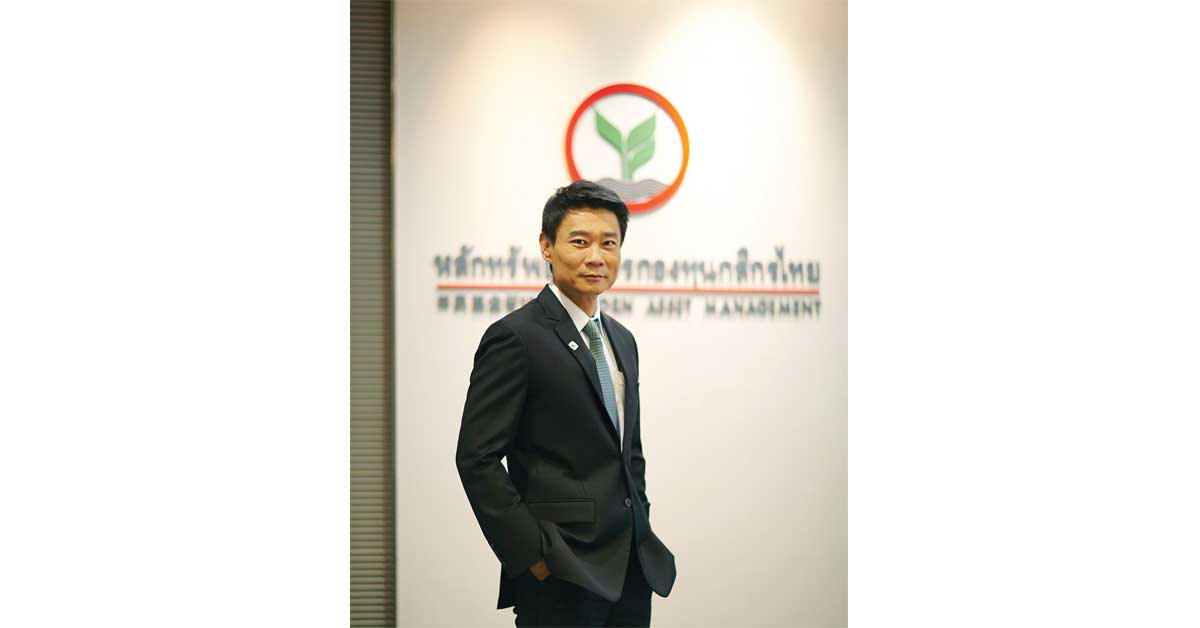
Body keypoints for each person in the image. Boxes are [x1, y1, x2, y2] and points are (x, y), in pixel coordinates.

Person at [455, 180, 676, 626]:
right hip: (561, 570)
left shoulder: (622, 340)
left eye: (609, 243)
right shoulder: (516, 337)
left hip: (631, 569)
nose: (596, 256)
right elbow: (476, 459)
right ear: (546, 246)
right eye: (580, 241)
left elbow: (628, 453)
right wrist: (532, 554)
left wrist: (641, 524)